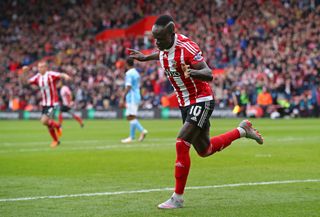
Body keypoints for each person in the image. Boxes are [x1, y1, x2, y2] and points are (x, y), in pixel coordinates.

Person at [129, 15, 264, 209]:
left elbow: (208, 74)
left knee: (181, 143)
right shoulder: (164, 46)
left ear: (172, 33)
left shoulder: (187, 48)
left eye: (160, 39)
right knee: (204, 150)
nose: (157, 43)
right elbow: (161, 53)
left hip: (201, 100)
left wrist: (192, 72)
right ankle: (242, 130)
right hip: (185, 103)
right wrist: (145, 57)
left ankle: (177, 198)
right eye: (154, 39)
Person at [20, 61, 71, 148]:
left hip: (53, 103)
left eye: (42, 67)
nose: (40, 68)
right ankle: (56, 135)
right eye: (39, 67)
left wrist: (66, 76)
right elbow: (25, 82)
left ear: (46, 68)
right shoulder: (37, 77)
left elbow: (61, 74)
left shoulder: (50, 74)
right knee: (47, 123)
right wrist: (24, 72)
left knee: (44, 121)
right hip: (45, 104)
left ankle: (57, 130)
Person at [120, 58, 148, 143]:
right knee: (132, 116)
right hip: (136, 95)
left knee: (130, 116)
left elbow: (128, 86)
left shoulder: (129, 73)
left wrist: (122, 98)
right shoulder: (136, 73)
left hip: (131, 97)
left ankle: (142, 130)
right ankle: (131, 137)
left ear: (126, 64)